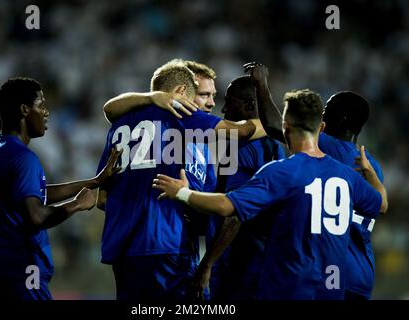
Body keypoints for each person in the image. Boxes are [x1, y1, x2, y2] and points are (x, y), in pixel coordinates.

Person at [153, 89, 388, 300]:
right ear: (321, 128)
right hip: (335, 283)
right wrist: (372, 176)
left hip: (292, 283)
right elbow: (381, 205)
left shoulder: (282, 172)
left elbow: (227, 206)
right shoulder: (348, 175)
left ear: (285, 126)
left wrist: (181, 192)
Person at [96, 60, 266, 301]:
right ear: (181, 92)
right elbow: (243, 131)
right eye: (203, 94)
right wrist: (277, 123)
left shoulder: (119, 127)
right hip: (167, 244)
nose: (210, 103)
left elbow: (102, 198)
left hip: (122, 250)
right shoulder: (181, 116)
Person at [0, 77, 121, 300]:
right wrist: (78, 204)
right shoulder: (24, 157)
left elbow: (31, 193)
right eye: (41, 105)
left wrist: (94, 182)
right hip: (19, 267)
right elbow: (37, 216)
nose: (46, 112)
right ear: (24, 109)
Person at [191, 73, 285, 301]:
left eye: (229, 102)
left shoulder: (241, 148)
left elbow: (235, 212)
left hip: (237, 261)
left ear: (249, 104)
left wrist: (207, 264)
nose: (222, 110)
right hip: (268, 259)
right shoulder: (278, 146)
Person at [319, 91, 384, 300]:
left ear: (343, 117)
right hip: (362, 272)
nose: (322, 114)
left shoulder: (326, 145)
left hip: (333, 270)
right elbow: (382, 204)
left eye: (327, 110)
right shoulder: (372, 166)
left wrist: (262, 86)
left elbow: (278, 126)